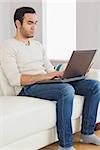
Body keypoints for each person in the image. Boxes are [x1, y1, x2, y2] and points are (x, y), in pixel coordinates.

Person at [1, 7, 100, 150]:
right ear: (18, 23)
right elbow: (15, 79)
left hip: (46, 82)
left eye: (36, 23)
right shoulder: (7, 46)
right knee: (65, 90)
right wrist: (46, 76)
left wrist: (67, 72)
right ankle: (65, 145)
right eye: (30, 23)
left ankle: (87, 132)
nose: (34, 27)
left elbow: (50, 70)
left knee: (94, 86)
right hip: (27, 87)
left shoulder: (37, 45)